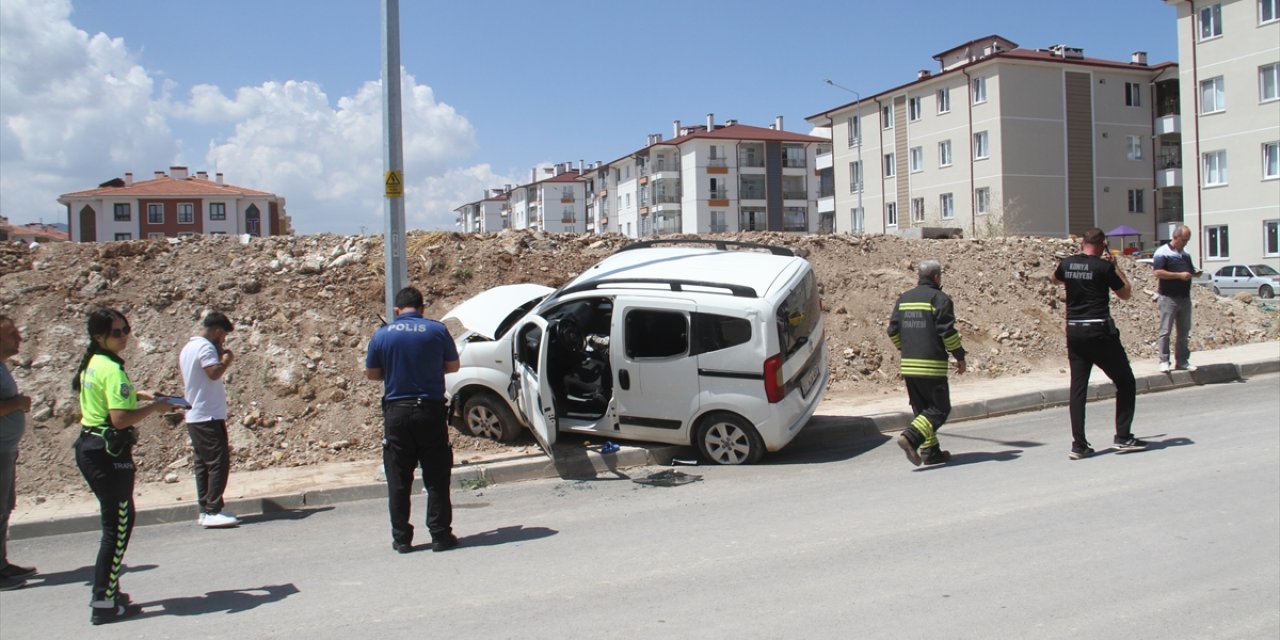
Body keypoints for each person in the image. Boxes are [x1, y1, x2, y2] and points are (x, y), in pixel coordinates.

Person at [73, 308, 170, 624]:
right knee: (117, 528)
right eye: (117, 332)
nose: (124, 335)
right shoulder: (112, 370)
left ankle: (109, 593)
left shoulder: (96, 363)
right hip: (108, 456)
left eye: (126, 329)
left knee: (115, 526)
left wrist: (139, 393)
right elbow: (120, 418)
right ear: (99, 337)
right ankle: (102, 602)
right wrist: (155, 407)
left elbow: (108, 397)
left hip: (92, 448)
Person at [365, 287, 461, 554]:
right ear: (422, 308)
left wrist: (393, 368)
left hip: (397, 414)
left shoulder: (382, 334)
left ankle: (402, 539)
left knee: (398, 479)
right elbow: (453, 366)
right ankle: (440, 535)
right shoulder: (437, 330)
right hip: (430, 411)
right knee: (436, 477)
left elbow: (372, 374)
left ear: (397, 311)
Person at [1052, 228, 1149, 460]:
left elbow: (1054, 279)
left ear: (1082, 242)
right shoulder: (1104, 268)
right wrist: (1116, 267)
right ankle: (1123, 437)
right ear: (1103, 244)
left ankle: (1079, 444)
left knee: (1078, 388)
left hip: (1074, 330)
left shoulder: (1067, 264)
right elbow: (1125, 293)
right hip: (1100, 332)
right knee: (1125, 381)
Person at [887, 260, 967, 467]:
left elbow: (893, 331)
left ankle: (930, 452)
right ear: (937, 277)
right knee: (939, 409)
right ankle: (911, 438)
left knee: (923, 410)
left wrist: (904, 348)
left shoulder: (904, 299)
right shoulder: (939, 299)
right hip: (931, 366)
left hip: (909, 365)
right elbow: (947, 332)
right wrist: (959, 356)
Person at [179, 311, 239, 529]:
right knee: (217, 462)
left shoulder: (189, 347)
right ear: (216, 331)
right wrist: (226, 360)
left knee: (203, 464)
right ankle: (213, 510)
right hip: (207, 415)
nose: (223, 340)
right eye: (223, 336)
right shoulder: (205, 347)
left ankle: (205, 509)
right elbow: (213, 373)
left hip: (196, 415)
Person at [0, 315, 36, 591]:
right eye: (13, 334)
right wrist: (18, 403)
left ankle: (2, 563)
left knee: (5, 508)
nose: (19, 339)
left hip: (7, 448)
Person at [1152, 225, 1201, 372]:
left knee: (1184, 331)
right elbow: (1158, 272)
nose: (1185, 243)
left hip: (1184, 297)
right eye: (1184, 239)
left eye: (1187, 240)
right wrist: (1179, 276)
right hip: (1168, 297)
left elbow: (1189, 270)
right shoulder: (1162, 252)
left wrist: (1194, 273)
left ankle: (1182, 361)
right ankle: (1164, 360)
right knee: (1165, 330)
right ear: (1176, 237)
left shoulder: (1185, 254)